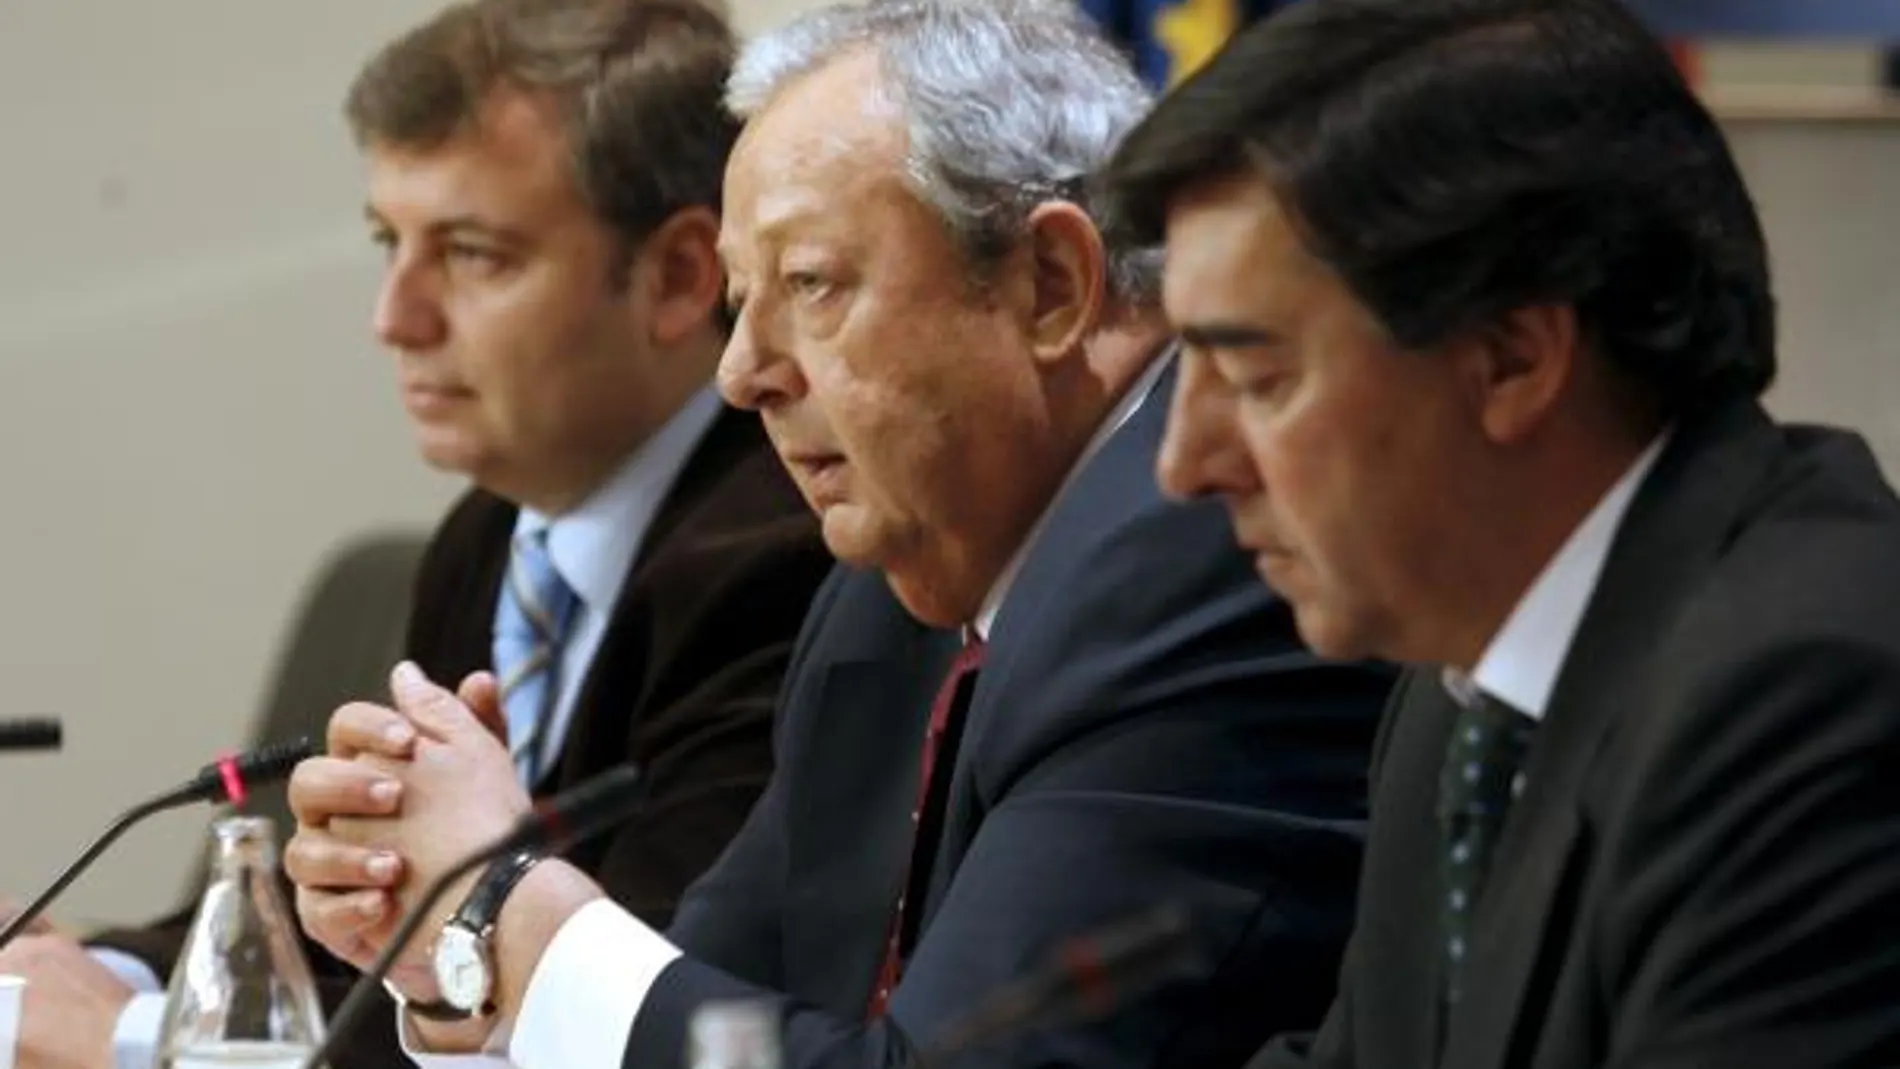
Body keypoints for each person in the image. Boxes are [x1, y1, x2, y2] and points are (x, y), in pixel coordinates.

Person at [284, 2, 1395, 1069]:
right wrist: (454, 969)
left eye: (810, 285)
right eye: (740, 296)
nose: (741, 370)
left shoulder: (1207, 562)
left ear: (1050, 286)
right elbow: (712, 1003)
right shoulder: (892, 588)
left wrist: (507, 909)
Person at [0, 3, 832, 1069]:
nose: (394, 317)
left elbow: (626, 998)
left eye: (473, 254)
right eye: (390, 244)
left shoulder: (789, 553)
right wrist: (78, 977)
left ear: (678, 276)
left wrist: (124, 1043)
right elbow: (353, 934)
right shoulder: (491, 533)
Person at [1098, 0, 1900, 1066]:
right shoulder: (1455, 693)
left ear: (1514, 358)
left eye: (1255, 378)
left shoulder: (1805, 696)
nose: (1183, 465)